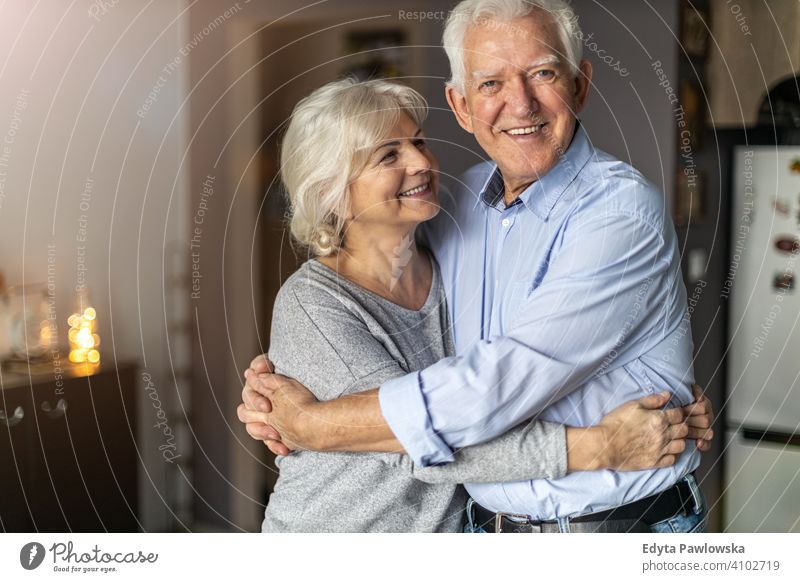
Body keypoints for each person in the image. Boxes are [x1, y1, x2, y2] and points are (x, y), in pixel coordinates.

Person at [242, 0, 715, 533]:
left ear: (580, 85)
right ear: (461, 105)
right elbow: (409, 433)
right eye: (490, 84)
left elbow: (499, 382)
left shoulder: (617, 213)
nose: (520, 102)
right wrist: (277, 389)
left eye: (542, 73)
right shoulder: (453, 211)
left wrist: (316, 424)